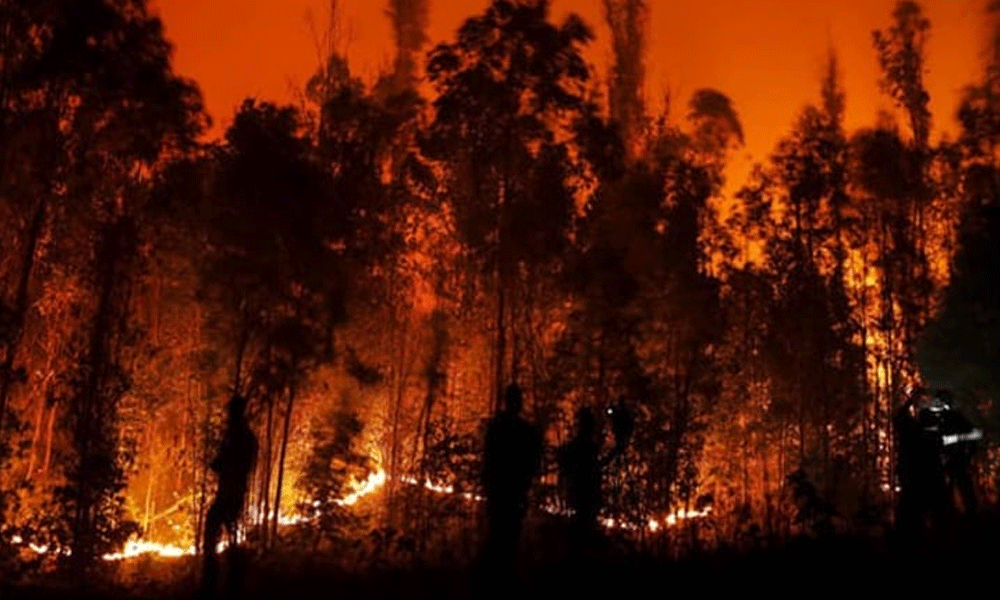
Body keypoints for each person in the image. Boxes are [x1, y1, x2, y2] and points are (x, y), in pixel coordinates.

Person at [481, 383, 542, 581]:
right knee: (507, 541)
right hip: (512, 493)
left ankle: (493, 580)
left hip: (502, 493)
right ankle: (500, 579)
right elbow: (533, 463)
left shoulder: (497, 427)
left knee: (498, 538)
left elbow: (488, 460)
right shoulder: (523, 430)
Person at [201, 394, 258, 599]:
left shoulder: (240, 437)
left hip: (231, 493)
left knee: (221, 533)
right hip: (230, 492)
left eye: (231, 412)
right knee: (223, 533)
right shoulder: (239, 436)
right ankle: (226, 581)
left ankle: (222, 582)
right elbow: (225, 462)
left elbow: (238, 464)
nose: (228, 416)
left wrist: (221, 464)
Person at [558, 408, 602, 543]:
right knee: (583, 530)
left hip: (583, 494)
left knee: (582, 530)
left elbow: (564, 460)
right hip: (583, 494)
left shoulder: (583, 445)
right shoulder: (586, 446)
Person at [935, 390, 981, 518]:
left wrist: (967, 453)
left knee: (963, 487)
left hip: (957, 459)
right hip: (945, 461)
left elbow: (975, 434)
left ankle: (969, 515)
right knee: (947, 489)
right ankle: (950, 514)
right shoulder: (939, 420)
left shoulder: (955, 418)